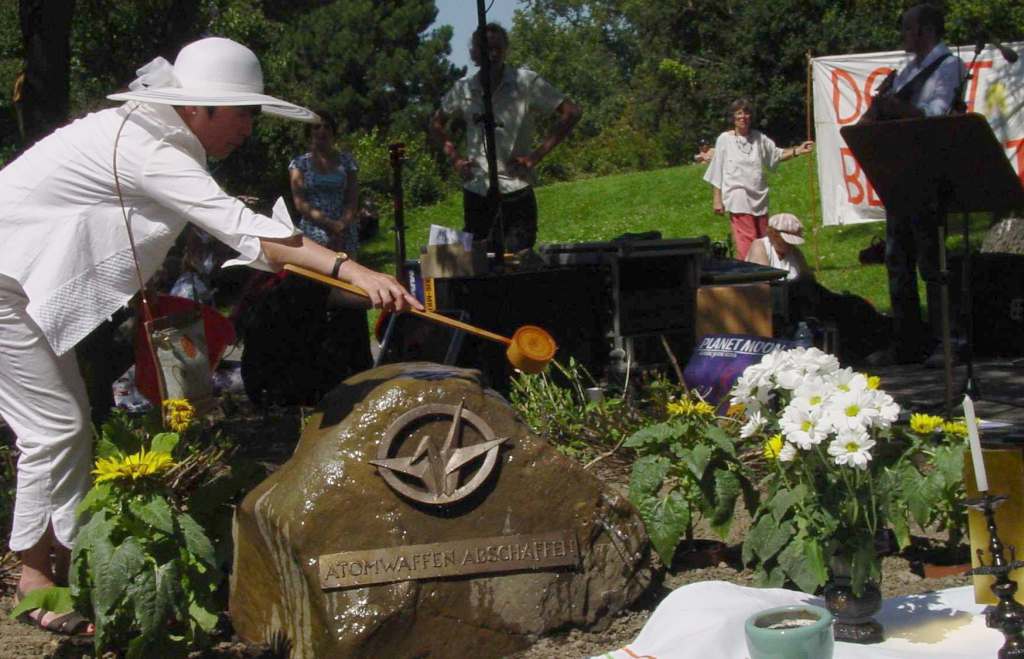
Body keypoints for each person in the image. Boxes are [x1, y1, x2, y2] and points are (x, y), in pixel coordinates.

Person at [0, 37, 419, 633]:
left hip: (8, 286)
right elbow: (248, 231)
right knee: (58, 428)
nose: (249, 127)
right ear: (199, 107)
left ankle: (51, 570)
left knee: (65, 426)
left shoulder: (149, 136)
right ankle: (46, 576)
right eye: (243, 111)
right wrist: (358, 271)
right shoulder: (150, 149)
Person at [863, 4, 965, 367]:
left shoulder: (947, 66)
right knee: (897, 259)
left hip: (929, 173)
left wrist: (896, 106)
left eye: (907, 30)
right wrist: (879, 107)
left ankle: (946, 341)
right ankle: (908, 342)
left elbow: (936, 117)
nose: (903, 37)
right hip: (900, 173)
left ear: (925, 32)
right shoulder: (907, 70)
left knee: (931, 263)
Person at [429, 22, 581, 252]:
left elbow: (571, 112)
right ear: (474, 54)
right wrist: (456, 159)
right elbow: (436, 123)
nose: (492, 54)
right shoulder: (464, 89)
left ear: (506, 49)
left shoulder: (525, 82)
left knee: (517, 261)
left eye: (497, 47)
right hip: (478, 189)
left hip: (515, 187)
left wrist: (534, 157)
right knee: (480, 262)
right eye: (485, 48)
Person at [703, 99, 815, 260]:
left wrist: (798, 150)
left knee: (763, 237)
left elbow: (776, 155)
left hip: (758, 195)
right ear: (733, 117)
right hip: (737, 195)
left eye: (746, 113)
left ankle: (765, 268)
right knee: (747, 238)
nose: (743, 117)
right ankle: (751, 273)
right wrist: (717, 199)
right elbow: (717, 170)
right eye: (739, 113)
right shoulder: (724, 139)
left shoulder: (759, 138)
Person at [745, 213, 810, 281]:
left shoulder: (796, 254)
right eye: (785, 240)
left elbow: (808, 280)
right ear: (772, 234)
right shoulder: (760, 246)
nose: (789, 244)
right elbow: (762, 282)